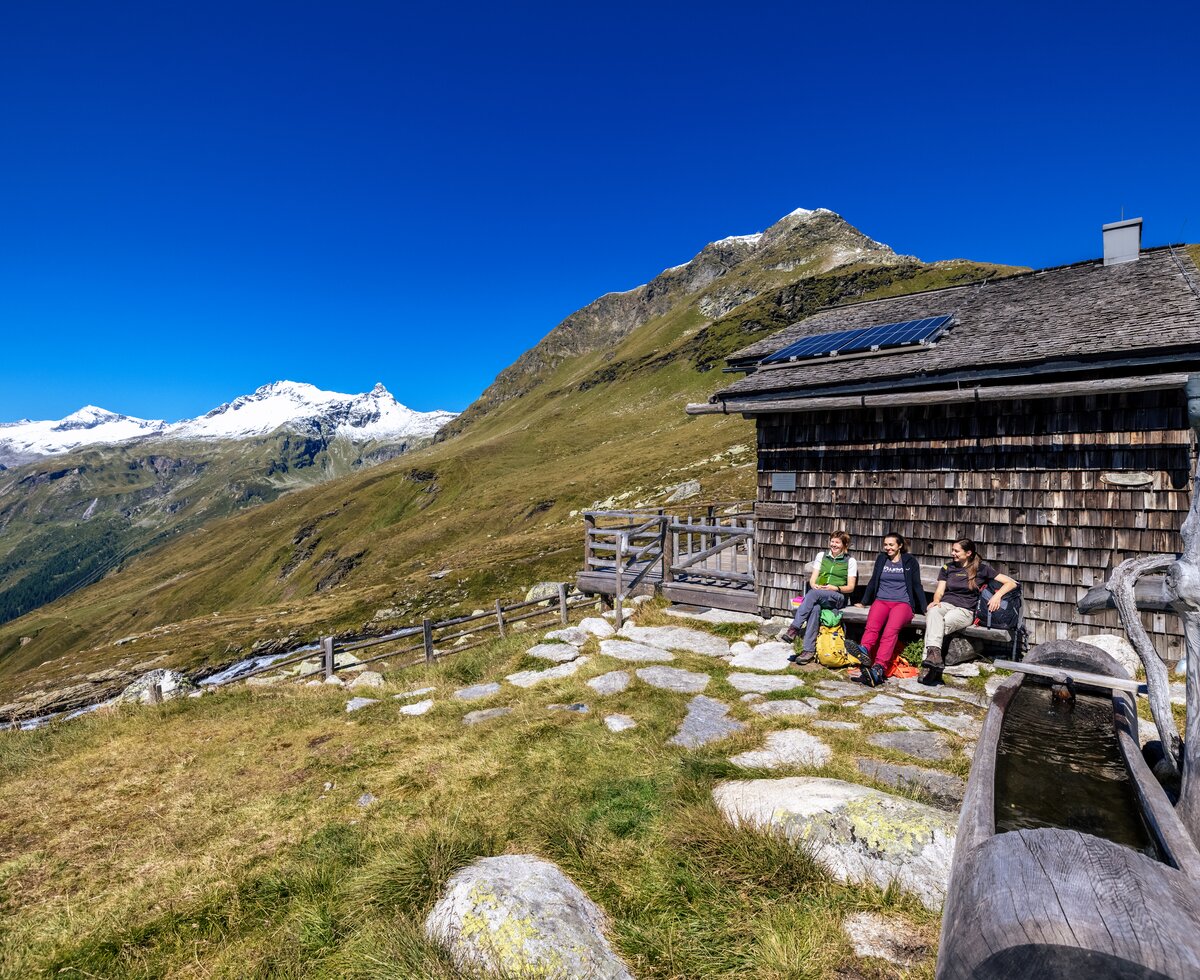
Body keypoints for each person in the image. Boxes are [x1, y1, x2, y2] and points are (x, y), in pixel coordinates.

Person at [921, 537, 1018, 686]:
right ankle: (933, 662)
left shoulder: (981, 568)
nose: (952, 553)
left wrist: (997, 596)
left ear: (968, 553)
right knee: (933, 613)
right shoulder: (947, 568)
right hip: (946, 605)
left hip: (965, 610)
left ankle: (928, 667)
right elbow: (939, 591)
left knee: (938, 625)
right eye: (953, 550)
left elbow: (1011, 583)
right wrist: (935, 601)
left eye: (956, 551)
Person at [854, 532, 927, 686]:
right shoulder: (881, 559)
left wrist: (924, 608)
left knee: (890, 631)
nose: (887, 548)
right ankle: (864, 651)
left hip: (903, 603)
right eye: (885, 545)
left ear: (899, 545)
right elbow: (874, 581)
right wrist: (864, 601)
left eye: (891, 545)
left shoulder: (909, 561)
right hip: (881, 600)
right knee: (871, 627)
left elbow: (916, 585)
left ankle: (879, 667)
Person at [781, 530, 857, 664]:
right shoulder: (822, 556)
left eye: (837, 543)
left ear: (845, 545)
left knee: (813, 595)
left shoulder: (850, 561)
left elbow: (850, 587)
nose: (833, 545)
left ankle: (794, 629)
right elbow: (813, 579)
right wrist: (814, 585)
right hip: (819, 595)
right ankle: (808, 651)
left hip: (838, 596)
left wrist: (835, 588)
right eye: (832, 541)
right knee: (815, 608)